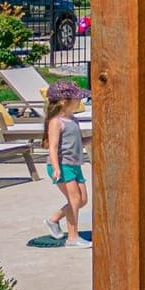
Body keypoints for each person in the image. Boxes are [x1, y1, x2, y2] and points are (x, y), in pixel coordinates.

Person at [27, 82, 89, 249]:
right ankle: (72, 238)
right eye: (76, 98)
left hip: (74, 165)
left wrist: (94, 137)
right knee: (74, 200)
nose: (80, 100)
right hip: (62, 165)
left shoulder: (73, 119)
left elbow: (77, 142)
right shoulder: (56, 122)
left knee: (82, 200)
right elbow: (53, 147)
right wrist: (56, 168)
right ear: (63, 101)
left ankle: (53, 220)